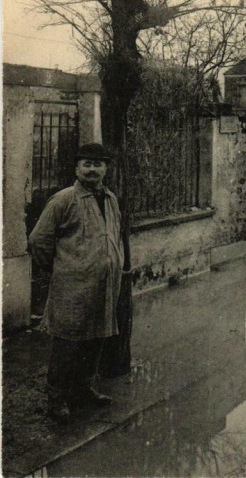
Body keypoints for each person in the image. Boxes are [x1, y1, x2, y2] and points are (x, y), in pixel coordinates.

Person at [28, 143, 124, 420]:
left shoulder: (110, 199)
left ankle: (83, 389)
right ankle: (56, 398)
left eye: (98, 164)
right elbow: (38, 240)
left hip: (104, 285)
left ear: (106, 168)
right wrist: (63, 268)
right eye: (87, 164)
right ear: (76, 169)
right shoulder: (63, 200)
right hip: (72, 286)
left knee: (95, 338)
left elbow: (113, 236)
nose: (92, 169)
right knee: (68, 343)